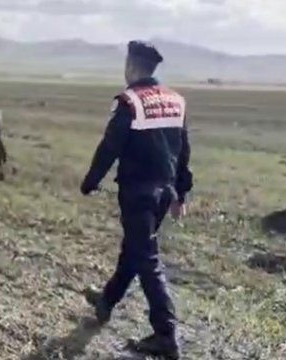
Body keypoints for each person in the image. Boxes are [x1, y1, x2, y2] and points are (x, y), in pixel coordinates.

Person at [79, 40, 193, 360]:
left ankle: (166, 334)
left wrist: (90, 182)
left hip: (138, 194)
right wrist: (181, 192)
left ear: (131, 67)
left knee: (146, 258)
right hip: (163, 192)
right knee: (135, 248)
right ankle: (107, 300)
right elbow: (183, 150)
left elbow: (109, 147)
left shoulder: (128, 102)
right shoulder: (175, 101)